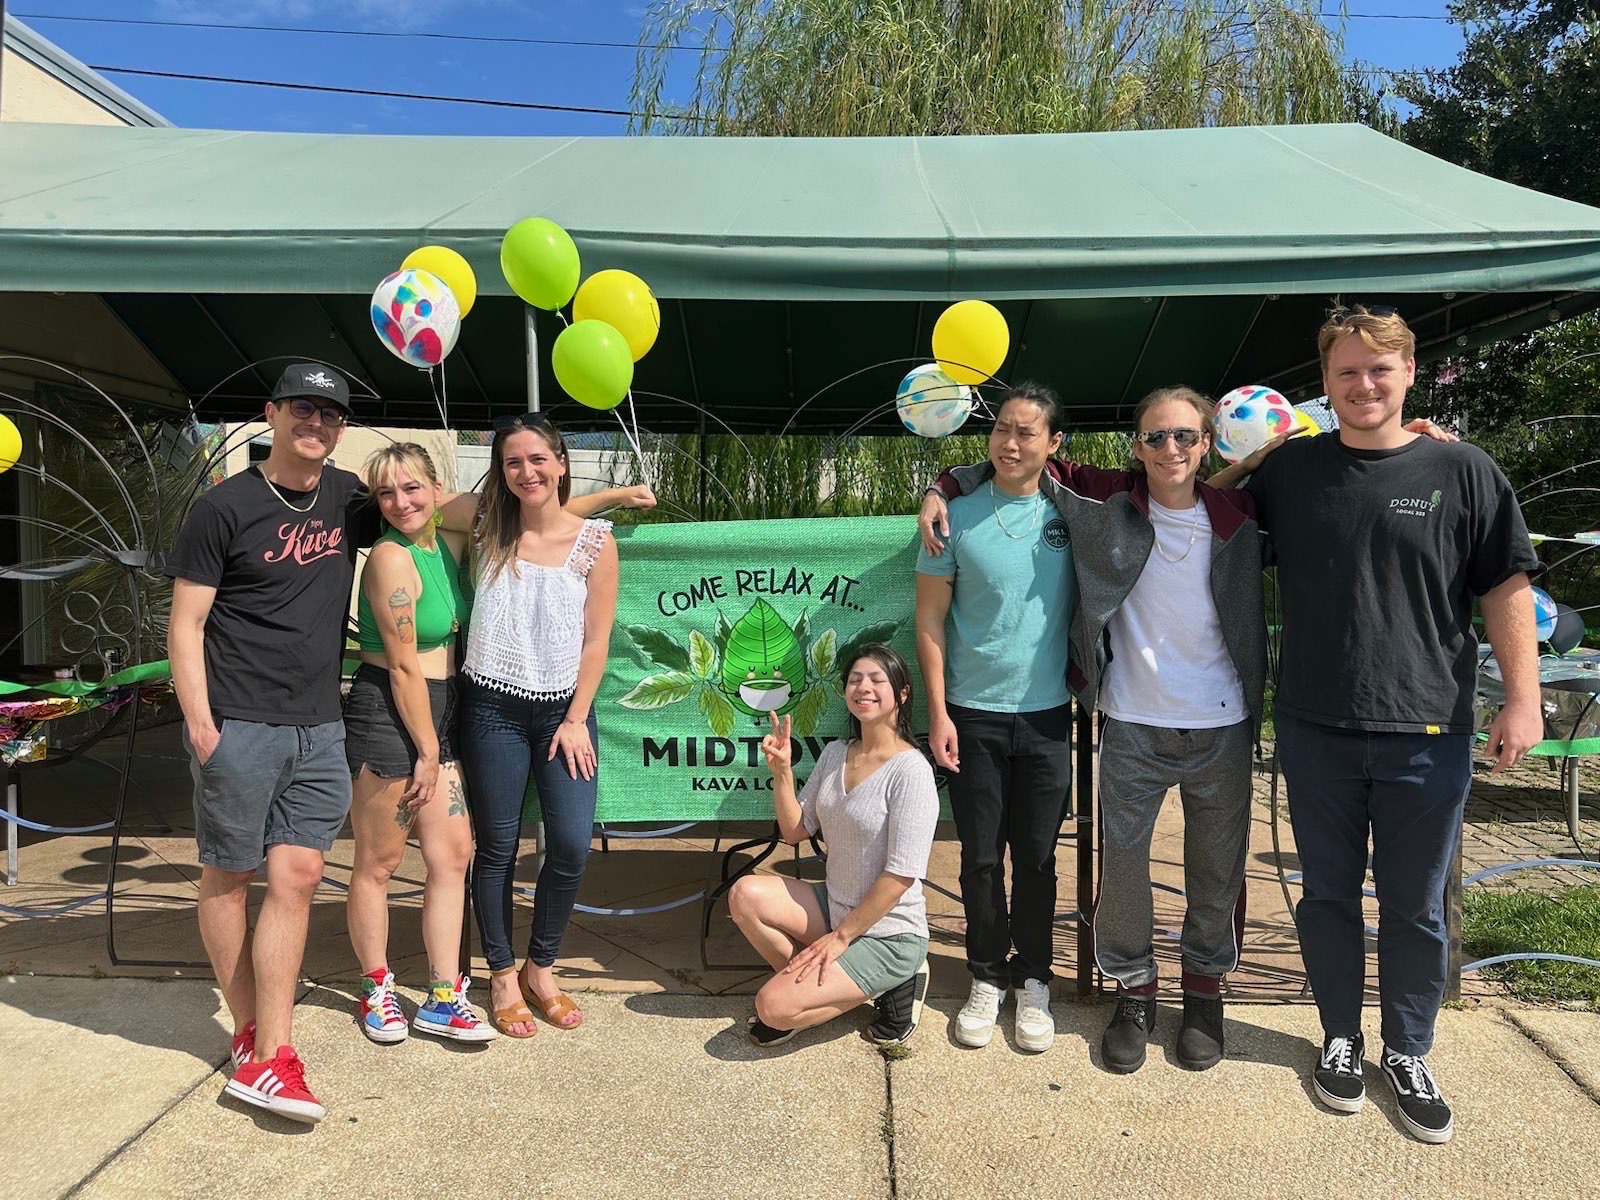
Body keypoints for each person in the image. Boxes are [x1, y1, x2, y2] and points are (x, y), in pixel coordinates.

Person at [1240, 304, 1541, 1144]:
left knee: (1415, 906)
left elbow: (1507, 588)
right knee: (1328, 897)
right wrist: (1259, 450)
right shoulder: (1291, 473)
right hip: (1314, 726)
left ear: (1411, 373)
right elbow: (1192, 507)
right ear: (1325, 383)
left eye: (1380, 369)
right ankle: (1340, 1037)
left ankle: (1409, 1050)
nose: (1363, 385)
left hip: (1428, 731)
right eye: (1346, 372)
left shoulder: (1465, 471)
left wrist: (1521, 699)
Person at [920, 385, 1266, 1074]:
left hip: (1218, 726)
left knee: (1212, 873)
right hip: (1129, 722)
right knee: (1119, 873)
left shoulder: (1241, 513)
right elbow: (1006, 468)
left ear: (1207, 443)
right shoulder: (1108, 506)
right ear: (1135, 446)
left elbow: (1332, 478)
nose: (1171, 449)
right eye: (1156, 437)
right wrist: (939, 482)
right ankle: (1127, 992)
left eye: (1185, 437)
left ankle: (1202, 995)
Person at [167, 362, 366, 1123]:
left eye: (330, 414)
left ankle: (271, 1052)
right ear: (273, 413)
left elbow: (451, 515)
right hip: (239, 722)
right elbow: (185, 624)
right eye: (303, 409)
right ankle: (252, 1032)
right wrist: (201, 724)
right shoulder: (224, 507)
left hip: (320, 725)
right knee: (229, 876)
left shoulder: (349, 497)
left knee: (303, 872)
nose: (317, 422)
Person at [914, 383, 1077, 1053]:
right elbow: (928, 619)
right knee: (980, 860)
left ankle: (1033, 980)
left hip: (1047, 717)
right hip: (972, 717)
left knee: (1037, 861)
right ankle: (986, 978)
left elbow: (1173, 477)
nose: (1011, 443)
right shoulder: (952, 515)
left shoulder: (1078, 513)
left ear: (1053, 443)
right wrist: (939, 712)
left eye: (1027, 433)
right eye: (1002, 429)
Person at [447, 413, 620, 1040]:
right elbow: (426, 505)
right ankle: (498, 972)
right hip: (491, 704)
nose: (528, 472)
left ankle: (540, 966)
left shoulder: (595, 542)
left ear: (562, 461)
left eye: (538, 459)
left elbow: (598, 640)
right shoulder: (487, 527)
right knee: (495, 849)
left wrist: (576, 718)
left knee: (570, 845)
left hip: (563, 712)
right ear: (500, 471)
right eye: (513, 462)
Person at [344, 443, 492, 1044]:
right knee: (378, 862)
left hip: (445, 705)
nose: (400, 503)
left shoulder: (447, 541)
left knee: (452, 855)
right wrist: (428, 753)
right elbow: (403, 666)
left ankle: (441, 993)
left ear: (437, 490)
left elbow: (530, 511)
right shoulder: (388, 558)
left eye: (412, 489)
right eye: (386, 493)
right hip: (391, 709)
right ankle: (377, 987)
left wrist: (613, 498)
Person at [730, 645, 939, 1047]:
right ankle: (810, 987)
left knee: (769, 1005)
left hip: (889, 934)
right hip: (836, 907)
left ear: (903, 693)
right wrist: (783, 773)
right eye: (855, 679)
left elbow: (900, 876)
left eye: (878, 679)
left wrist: (840, 938)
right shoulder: (835, 754)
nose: (864, 687)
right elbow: (795, 831)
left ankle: (896, 981)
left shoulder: (911, 771)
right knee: (744, 894)